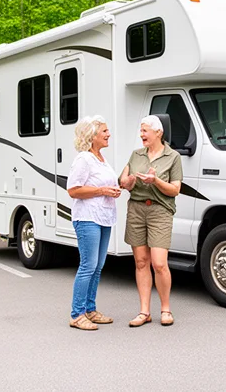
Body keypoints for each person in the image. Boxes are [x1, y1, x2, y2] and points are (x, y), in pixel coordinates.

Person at [119, 115, 182, 327]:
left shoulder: (172, 157)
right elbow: (123, 181)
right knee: (141, 262)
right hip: (136, 210)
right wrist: (128, 182)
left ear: (158, 133)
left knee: (159, 263)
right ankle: (144, 312)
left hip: (160, 211)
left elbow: (175, 189)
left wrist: (155, 180)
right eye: (141, 130)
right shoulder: (136, 155)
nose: (141, 134)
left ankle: (166, 309)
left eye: (145, 131)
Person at [66, 115, 121, 330]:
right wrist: (102, 190)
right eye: (105, 131)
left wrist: (114, 189)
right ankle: (76, 314)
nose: (109, 134)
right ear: (92, 136)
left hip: (103, 216)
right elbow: (73, 190)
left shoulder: (101, 158)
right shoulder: (83, 159)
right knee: (88, 266)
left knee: (98, 266)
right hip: (87, 218)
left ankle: (90, 310)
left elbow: (104, 184)